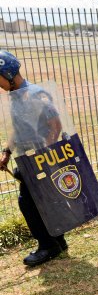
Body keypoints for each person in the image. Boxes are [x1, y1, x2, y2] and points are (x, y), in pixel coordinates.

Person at [0, 50, 67, 265]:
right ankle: (58, 240)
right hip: (26, 158)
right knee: (43, 202)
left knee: (28, 204)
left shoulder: (35, 94)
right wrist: (7, 152)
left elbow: (55, 126)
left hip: (39, 159)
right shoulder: (16, 97)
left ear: (8, 74)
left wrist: (44, 155)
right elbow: (19, 130)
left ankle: (48, 246)